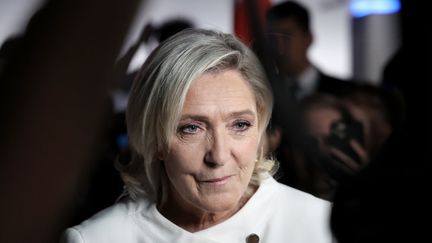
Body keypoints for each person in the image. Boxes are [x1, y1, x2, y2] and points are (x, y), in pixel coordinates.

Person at [61, 29, 333, 243]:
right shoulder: (96, 239)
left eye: (240, 125)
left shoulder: (324, 225)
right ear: (154, 138)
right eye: (191, 128)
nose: (219, 155)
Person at [265, 0, 358, 100]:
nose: (279, 46)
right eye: (272, 38)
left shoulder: (346, 93)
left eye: (287, 37)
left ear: (308, 38)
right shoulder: (262, 93)